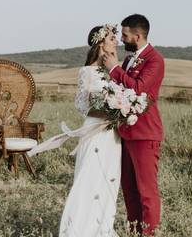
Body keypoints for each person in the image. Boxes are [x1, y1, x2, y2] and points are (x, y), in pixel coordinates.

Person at [33, 24, 122, 237]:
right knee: (89, 176)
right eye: (111, 38)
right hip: (96, 129)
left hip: (113, 134)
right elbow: (83, 105)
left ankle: (103, 226)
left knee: (109, 177)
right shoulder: (88, 71)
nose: (116, 42)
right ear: (100, 43)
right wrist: (114, 111)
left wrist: (121, 109)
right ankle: (81, 228)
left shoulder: (113, 71)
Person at [100, 14, 165, 236]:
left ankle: (149, 234)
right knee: (129, 189)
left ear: (137, 36)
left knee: (146, 191)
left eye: (125, 35)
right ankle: (134, 231)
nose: (121, 39)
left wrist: (113, 69)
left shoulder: (155, 60)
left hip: (145, 134)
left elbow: (139, 89)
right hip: (126, 133)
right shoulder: (129, 60)